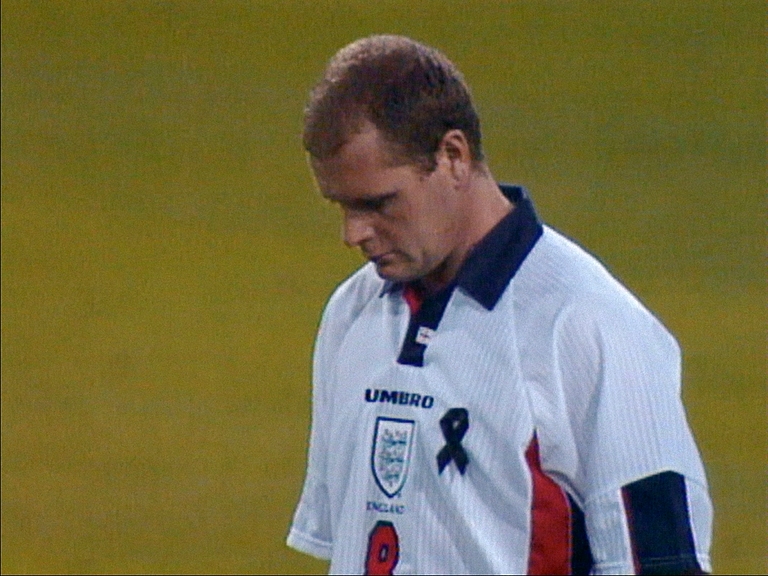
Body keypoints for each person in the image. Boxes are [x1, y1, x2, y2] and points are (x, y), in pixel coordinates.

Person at [286, 35, 712, 575]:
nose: (353, 233)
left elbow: (660, 564)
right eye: (341, 206)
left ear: (453, 157)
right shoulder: (352, 313)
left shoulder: (591, 327)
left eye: (378, 203)